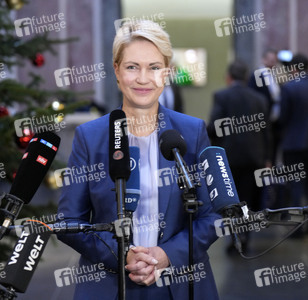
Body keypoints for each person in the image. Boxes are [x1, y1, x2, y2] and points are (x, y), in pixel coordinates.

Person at [57, 20, 220, 300]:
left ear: (166, 74)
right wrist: (123, 256)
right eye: (132, 67)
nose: (143, 79)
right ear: (117, 71)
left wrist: (166, 255)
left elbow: (211, 215)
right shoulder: (90, 137)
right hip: (109, 283)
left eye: (154, 68)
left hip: (180, 284)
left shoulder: (191, 132)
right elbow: (69, 222)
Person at [207, 60, 271, 251]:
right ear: (245, 77)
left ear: (229, 77)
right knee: (248, 199)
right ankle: (245, 237)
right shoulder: (260, 99)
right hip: (254, 157)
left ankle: (234, 237)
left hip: (229, 158)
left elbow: (215, 127)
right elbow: (267, 132)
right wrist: (268, 157)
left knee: (231, 200)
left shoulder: (222, 96)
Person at [280, 54, 308, 208]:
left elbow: (283, 118)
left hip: (292, 144)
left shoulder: (289, 87)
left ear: (294, 68)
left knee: (295, 183)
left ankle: (298, 223)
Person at [248, 49, 282, 165]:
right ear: (264, 59)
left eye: (274, 60)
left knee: (273, 150)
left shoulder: (275, 76)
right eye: (270, 59)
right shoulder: (256, 76)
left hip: (274, 121)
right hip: (262, 119)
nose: (273, 62)